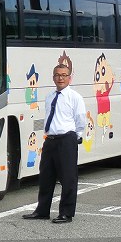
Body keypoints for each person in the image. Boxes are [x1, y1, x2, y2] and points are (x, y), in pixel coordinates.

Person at [23, 62, 87, 224]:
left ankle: (66, 213)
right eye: (58, 75)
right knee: (46, 176)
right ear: (53, 78)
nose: (60, 78)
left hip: (66, 139)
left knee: (68, 178)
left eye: (64, 75)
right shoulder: (50, 96)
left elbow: (80, 120)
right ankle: (42, 210)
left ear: (70, 78)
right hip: (50, 140)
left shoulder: (75, 97)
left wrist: (75, 136)